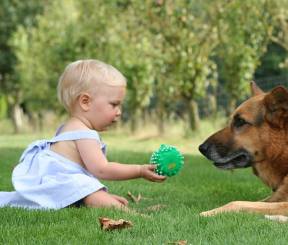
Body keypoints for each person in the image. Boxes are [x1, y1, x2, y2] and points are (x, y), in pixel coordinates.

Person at [0, 59, 166, 210]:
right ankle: (132, 214)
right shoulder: (84, 134)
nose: (119, 112)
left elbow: (80, 175)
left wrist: (96, 194)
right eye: (114, 105)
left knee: (92, 194)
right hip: (61, 184)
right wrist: (140, 170)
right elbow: (102, 169)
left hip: (57, 185)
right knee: (92, 195)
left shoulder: (67, 127)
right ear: (85, 102)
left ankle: (96, 199)